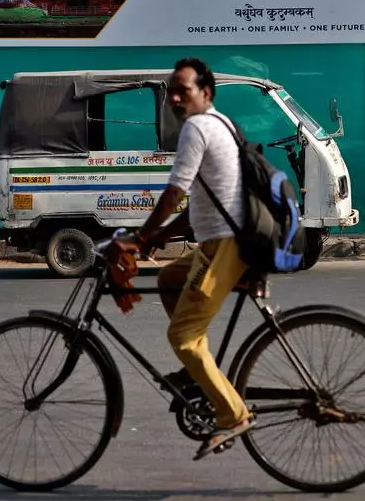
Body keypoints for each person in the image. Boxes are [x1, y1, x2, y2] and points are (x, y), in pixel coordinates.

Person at [118, 57, 257, 459]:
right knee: (167, 281)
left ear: (206, 93)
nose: (175, 98)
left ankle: (232, 414)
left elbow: (175, 191)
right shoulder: (221, 123)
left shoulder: (197, 127)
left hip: (223, 247)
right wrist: (161, 235)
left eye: (184, 90)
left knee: (181, 337)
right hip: (225, 239)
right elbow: (206, 201)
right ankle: (203, 372)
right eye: (171, 92)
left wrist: (141, 236)